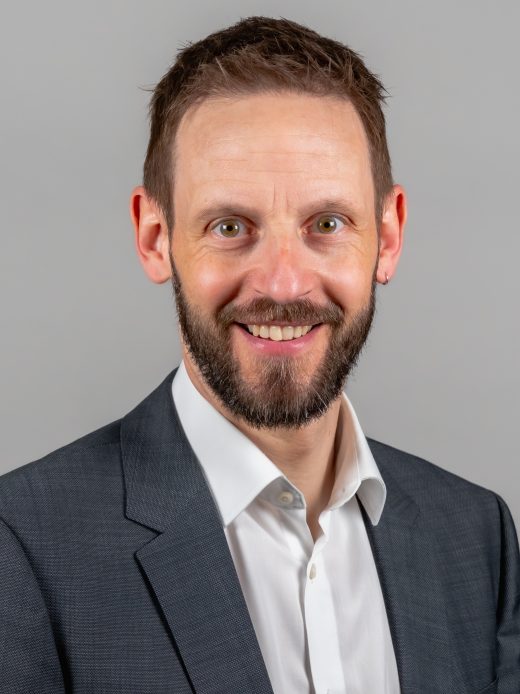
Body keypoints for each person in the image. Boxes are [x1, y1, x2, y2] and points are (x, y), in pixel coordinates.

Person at [0, 15, 518, 694]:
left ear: (388, 237)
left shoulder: (476, 539)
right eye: (230, 227)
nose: (283, 284)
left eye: (327, 224)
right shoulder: (23, 546)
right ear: (156, 238)